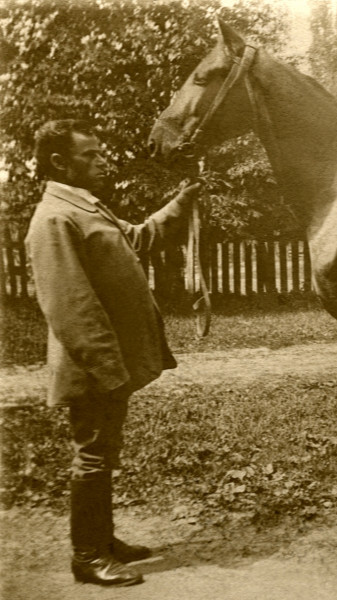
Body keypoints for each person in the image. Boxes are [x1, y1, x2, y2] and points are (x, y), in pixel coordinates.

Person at [24, 119, 201, 587]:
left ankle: (102, 541)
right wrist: (108, 368)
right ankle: (87, 557)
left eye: (102, 153)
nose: (103, 162)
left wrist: (183, 200)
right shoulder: (55, 218)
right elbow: (70, 307)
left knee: (104, 451)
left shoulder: (84, 207)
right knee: (93, 456)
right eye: (91, 156)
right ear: (60, 162)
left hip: (106, 366)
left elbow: (140, 238)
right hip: (92, 368)